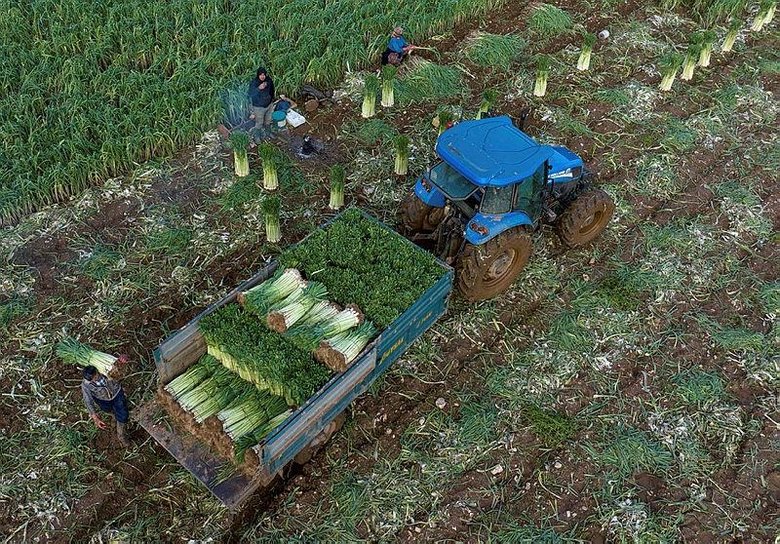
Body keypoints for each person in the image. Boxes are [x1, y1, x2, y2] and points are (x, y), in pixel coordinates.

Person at [81, 360, 131, 447]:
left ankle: (121, 435)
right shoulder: (86, 384)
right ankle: (114, 417)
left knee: (123, 415)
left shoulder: (106, 370)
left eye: (96, 375)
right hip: (103, 400)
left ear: (97, 371)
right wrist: (94, 416)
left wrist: (121, 363)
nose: (96, 378)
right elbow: (87, 399)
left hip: (116, 393)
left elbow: (120, 370)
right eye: (93, 378)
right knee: (108, 410)